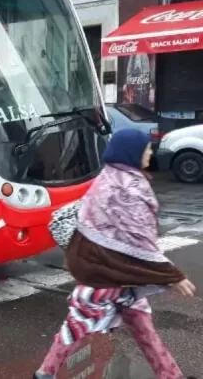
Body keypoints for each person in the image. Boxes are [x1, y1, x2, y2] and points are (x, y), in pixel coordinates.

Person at [35, 128, 197, 379]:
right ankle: (45, 373)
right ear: (131, 152)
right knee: (78, 326)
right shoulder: (128, 188)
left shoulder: (109, 177)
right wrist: (173, 276)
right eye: (146, 148)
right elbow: (141, 243)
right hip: (106, 271)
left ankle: (170, 375)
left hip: (112, 269)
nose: (150, 152)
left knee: (143, 328)